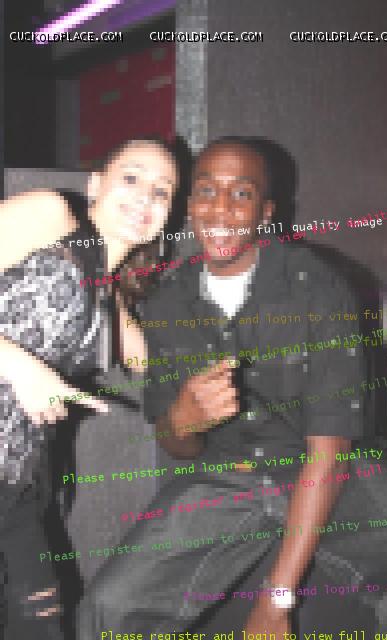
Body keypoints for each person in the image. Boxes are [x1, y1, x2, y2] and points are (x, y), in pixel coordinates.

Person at [76, 138, 387, 637]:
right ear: (189, 205)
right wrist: (182, 420)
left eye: (241, 193)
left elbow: (330, 453)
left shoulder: (315, 287)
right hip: (230, 476)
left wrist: (276, 600)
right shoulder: (167, 301)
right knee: (109, 608)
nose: (221, 209)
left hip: (330, 471)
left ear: (266, 212)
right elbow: (175, 443)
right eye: (207, 191)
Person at [0, 138, 179, 638]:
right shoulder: (50, 215)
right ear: (96, 184)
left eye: (162, 191)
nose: (145, 197)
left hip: (17, 486)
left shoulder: (109, 296)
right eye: (131, 178)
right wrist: (19, 366)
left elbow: (163, 371)